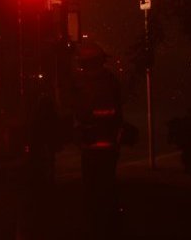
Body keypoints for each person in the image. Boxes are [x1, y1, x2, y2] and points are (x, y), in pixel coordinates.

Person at [72, 43, 124, 238]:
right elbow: (118, 110)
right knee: (107, 187)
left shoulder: (80, 83)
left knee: (92, 189)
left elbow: (77, 111)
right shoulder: (110, 81)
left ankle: (95, 225)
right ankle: (108, 224)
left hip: (91, 146)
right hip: (108, 145)